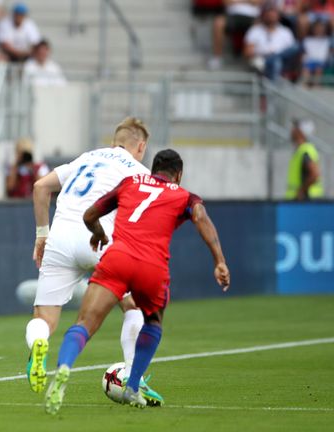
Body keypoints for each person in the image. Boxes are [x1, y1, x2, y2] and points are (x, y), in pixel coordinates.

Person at [43, 149, 230, 414]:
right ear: (178, 174)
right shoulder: (185, 195)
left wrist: (98, 234)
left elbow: (88, 216)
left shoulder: (130, 182)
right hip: (152, 268)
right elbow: (200, 217)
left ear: (152, 169)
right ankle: (132, 386)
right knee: (153, 321)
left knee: (85, 323)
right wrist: (219, 260)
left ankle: (63, 368)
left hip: (117, 258)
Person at [25, 118, 163, 407]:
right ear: (140, 146)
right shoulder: (138, 171)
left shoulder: (86, 158)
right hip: (100, 239)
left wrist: (41, 235)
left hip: (60, 238)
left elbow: (40, 187)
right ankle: (133, 379)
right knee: (134, 306)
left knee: (44, 319)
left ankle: (39, 345)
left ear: (115, 140)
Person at [244, 3, 298, 80]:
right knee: (276, 62)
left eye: (273, 13)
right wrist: (266, 53)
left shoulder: (286, 31)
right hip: (263, 60)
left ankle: (275, 58)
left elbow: (291, 53)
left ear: (278, 16)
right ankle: (272, 88)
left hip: (284, 62)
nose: (270, 16)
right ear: (263, 15)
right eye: (268, 14)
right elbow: (248, 52)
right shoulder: (255, 30)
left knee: (294, 47)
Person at [286, 119, 324, 200]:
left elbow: (314, 174)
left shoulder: (305, 151)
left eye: (295, 128)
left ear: (301, 132)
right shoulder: (301, 150)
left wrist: (301, 190)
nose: (292, 130)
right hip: (302, 201)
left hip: (306, 201)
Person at [300, 19, 331, 86]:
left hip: (322, 62)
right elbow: (304, 53)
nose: (318, 30)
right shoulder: (307, 40)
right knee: (306, 69)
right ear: (313, 29)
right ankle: (304, 86)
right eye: (317, 28)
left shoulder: (327, 40)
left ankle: (316, 86)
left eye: (320, 28)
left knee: (318, 69)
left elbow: (327, 53)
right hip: (310, 61)